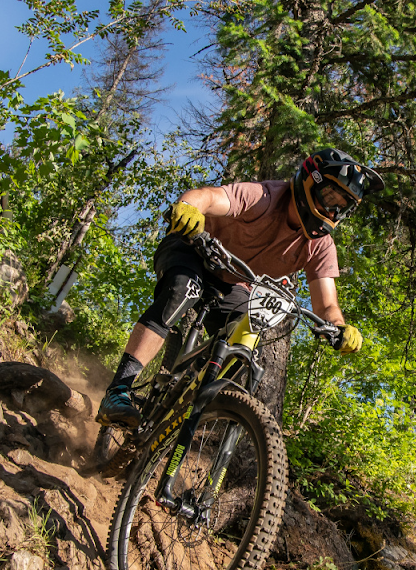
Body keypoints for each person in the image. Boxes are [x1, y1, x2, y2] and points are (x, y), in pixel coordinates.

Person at [95, 148, 383, 428]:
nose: (332, 209)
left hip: (232, 281)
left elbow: (326, 305)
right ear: (310, 182)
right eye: (330, 197)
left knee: (244, 340)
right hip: (192, 249)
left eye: (342, 206)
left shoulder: (320, 246)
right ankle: (118, 390)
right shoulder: (264, 197)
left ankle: (180, 411)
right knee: (183, 290)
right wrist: (189, 208)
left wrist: (339, 327)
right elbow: (208, 196)